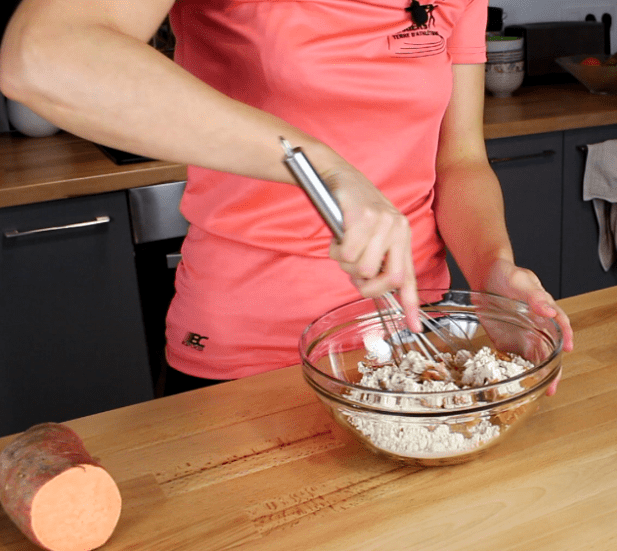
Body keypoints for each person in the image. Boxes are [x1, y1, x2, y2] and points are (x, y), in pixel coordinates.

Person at [0, 0, 574, 394]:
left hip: (411, 343)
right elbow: (42, 55)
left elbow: (461, 160)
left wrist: (491, 269)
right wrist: (319, 164)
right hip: (246, 353)